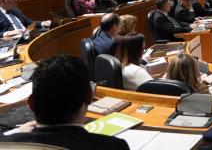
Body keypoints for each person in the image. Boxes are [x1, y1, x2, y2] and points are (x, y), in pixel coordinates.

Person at [0, 55, 129, 150]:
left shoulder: (4, 143)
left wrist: (15, 136)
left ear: (31, 103)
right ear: (89, 97)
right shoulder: (114, 147)